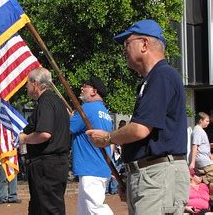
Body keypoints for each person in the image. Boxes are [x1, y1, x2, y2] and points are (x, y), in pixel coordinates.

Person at [86, 19, 189, 215]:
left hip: (158, 176)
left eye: (127, 43)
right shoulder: (152, 79)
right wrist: (132, 177)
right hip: (151, 176)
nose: (124, 50)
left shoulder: (162, 76)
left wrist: (107, 138)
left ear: (144, 44)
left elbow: (140, 128)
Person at [18, 67, 70, 215]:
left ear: (35, 83)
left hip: (47, 166)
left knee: (48, 208)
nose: (26, 87)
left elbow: (45, 134)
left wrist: (25, 138)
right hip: (54, 164)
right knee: (40, 208)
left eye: (27, 83)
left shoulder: (46, 101)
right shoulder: (57, 102)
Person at [70, 76, 113, 215]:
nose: (81, 88)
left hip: (90, 167)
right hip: (101, 166)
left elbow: (68, 128)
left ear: (94, 91)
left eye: (85, 86)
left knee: (94, 209)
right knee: (85, 211)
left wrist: (71, 117)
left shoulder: (87, 108)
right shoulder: (105, 112)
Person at [0, 131, 22, 204]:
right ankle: (2, 197)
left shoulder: (13, 131)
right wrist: (1, 148)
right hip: (1, 159)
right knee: (2, 179)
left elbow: (18, 144)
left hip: (12, 159)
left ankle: (13, 197)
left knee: (13, 178)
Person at [189, 112, 213, 185]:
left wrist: (208, 145)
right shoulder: (198, 131)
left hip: (205, 159)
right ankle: (198, 179)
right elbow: (195, 145)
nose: (208, 123)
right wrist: (192, 162)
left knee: (208, 181)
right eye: (207, 121)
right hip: (203, 160)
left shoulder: (200, 130)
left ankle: (200, 179)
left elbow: (200, 145)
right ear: (200, 120)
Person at [108, 120, 126, 195]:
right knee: (115, 172)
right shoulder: (122, 133)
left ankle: (111, 189)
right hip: (117, 154)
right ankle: (113, 190)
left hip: (117, 154)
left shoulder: (117, 132)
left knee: (113, 172)